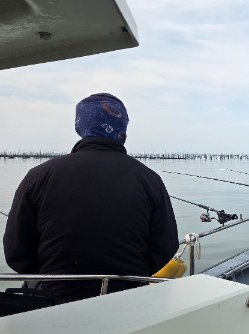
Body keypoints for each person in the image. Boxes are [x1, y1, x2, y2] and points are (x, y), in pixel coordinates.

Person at [3, 93, 179, 303]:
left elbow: (16, 253)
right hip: (130, 299)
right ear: (123, 128)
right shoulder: (150, 180)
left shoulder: (38, 176)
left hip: (56, 300)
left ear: (80, 125)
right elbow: (165, 249)